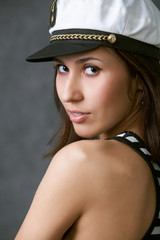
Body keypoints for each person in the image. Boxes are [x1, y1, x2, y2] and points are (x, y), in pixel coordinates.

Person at [15, 0, 160, 239]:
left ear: (140, 80)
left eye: (91, 69)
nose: (69, 94)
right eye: (61, 69)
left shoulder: (82, 162)